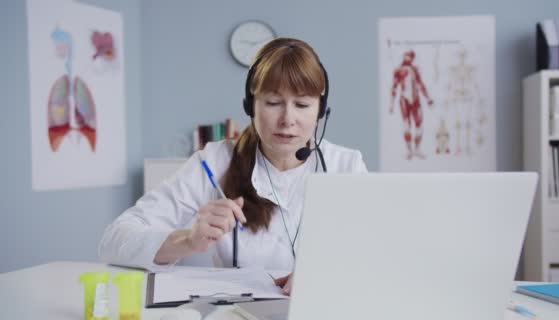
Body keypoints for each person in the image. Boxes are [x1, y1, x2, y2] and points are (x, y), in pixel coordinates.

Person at [98, 37, 368, 295]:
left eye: (302, 104)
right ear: (250, 105)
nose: (288, 119)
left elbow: (378, 254)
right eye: (273, 103)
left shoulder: (346, 166)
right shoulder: (215, 162)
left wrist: (325, 273)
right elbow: (114, 240)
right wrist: (187, 240)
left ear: (321, 110)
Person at [389, 50, 433, 160]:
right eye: (406, 56)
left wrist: (428, 98)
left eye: (410, 57)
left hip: (415, 100)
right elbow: (394, 87)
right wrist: (391, 104)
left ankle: (417, 149)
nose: (407, 58)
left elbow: (420, 84)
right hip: (404, 100)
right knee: (406, 125)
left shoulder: (415, 70)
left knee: (419, 124)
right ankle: (409, 150)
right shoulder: (399, 70)